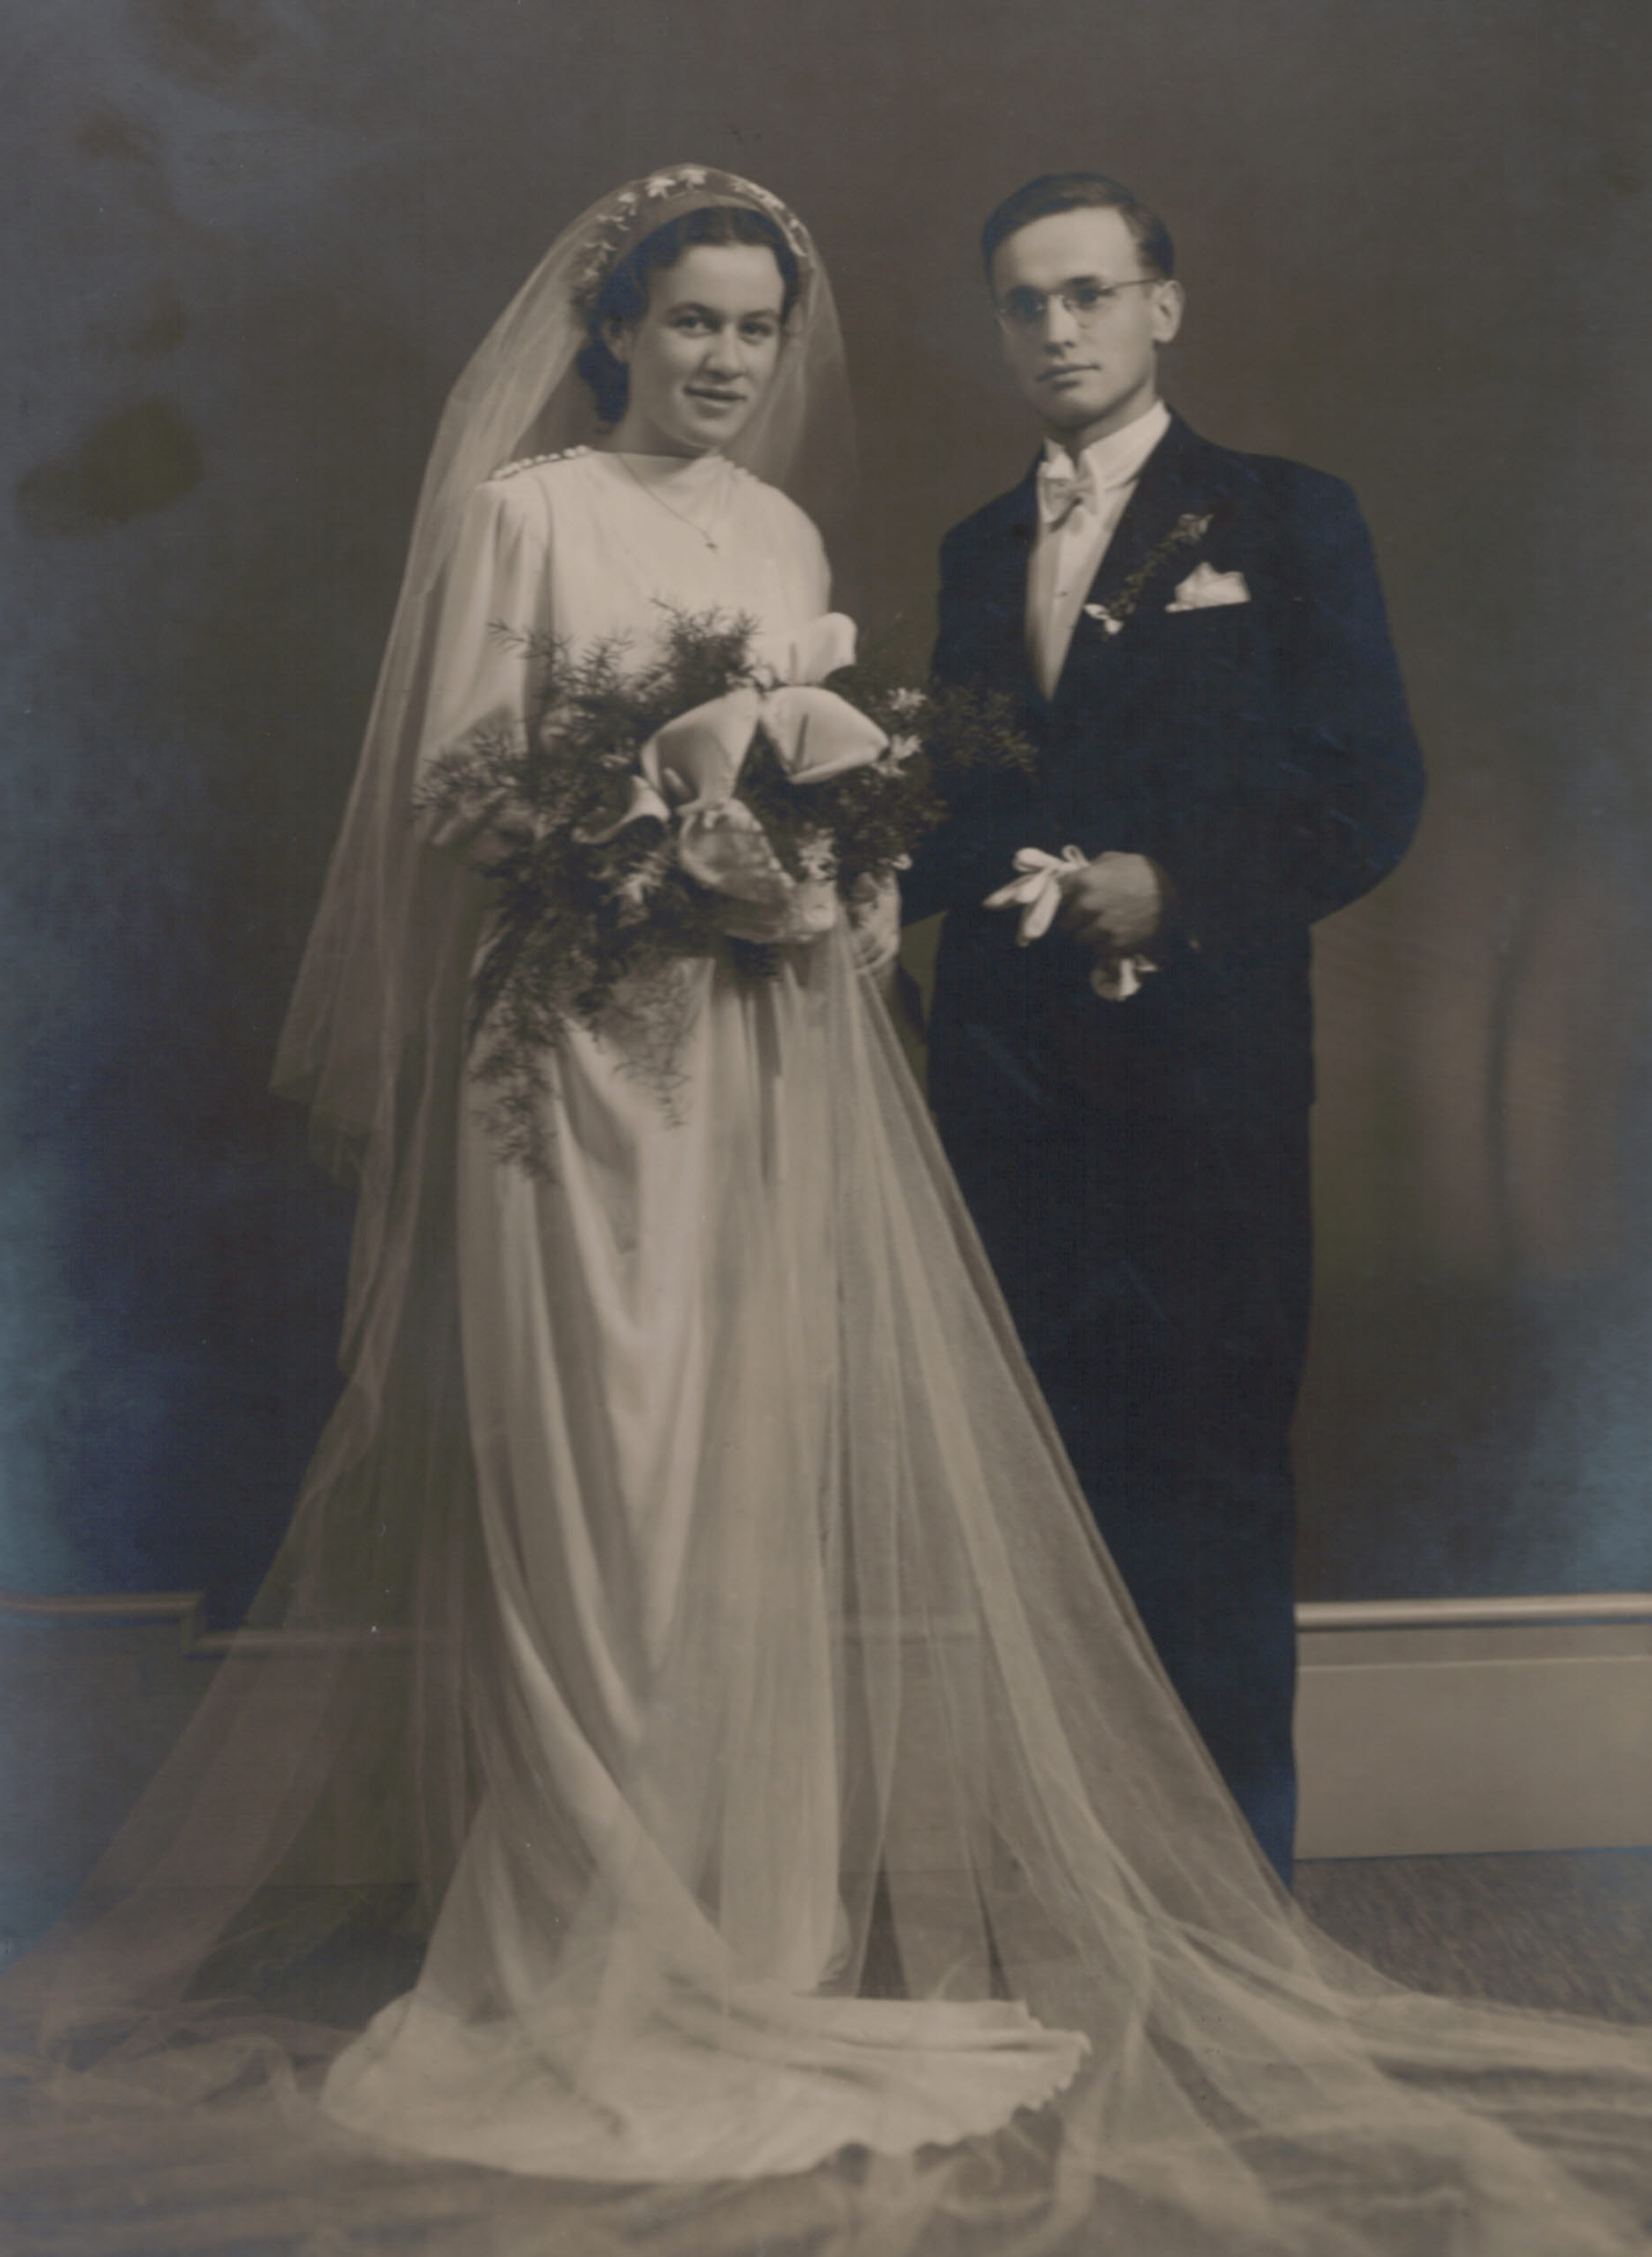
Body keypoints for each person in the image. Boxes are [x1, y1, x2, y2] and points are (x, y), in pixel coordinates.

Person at [8, 170, 1652, 2257]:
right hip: (684, 1081)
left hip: (977, 1088)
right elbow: (574, 803)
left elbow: (1294, 786)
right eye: (689, 321)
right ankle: (654, 1932)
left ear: (1159, 304)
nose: (724, 357)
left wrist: (956, 882)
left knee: (940, 1493)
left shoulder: (1059, 528)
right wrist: (748, 869)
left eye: (754, 327)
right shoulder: (662, 526)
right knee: (649, 1481)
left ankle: (1087, 1925)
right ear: (617, 329)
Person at [904, 171, 1426, 1881]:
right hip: (1007, 1086)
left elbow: (1369, 790)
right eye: (1025, 303)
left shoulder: (1284, 516)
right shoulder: (977, 549)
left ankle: (1233, 1905)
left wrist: (1177, 887)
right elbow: (962, 813)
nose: (1057, 329)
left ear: (1163, 308)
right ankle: (1070, 1887)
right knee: (1039, 1480)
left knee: (1210, 1478)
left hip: (1207, 1085)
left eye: (1090, 294)